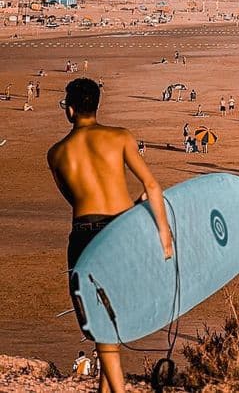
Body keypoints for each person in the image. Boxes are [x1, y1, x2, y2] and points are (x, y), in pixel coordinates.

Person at [48, 78, 172, 393]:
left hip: (84, 235)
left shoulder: (57, 153)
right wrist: (164, 236)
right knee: (115, 314)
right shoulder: (120, 137)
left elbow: (74, 199)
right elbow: (152, 187)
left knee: (100, 318)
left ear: (71, 109)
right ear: (97, 105)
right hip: (121, 230)